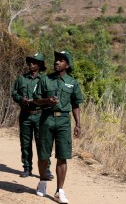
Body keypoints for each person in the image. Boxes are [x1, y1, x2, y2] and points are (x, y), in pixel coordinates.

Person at [34, 50, 84, 204]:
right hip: (46, 119)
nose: (57, 62)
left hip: (63, 121)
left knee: (62, 156)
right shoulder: (45, 79)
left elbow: (75, 104)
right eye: (56, 60)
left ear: (67, 65)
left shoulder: (72, 82)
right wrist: (47, 101)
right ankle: (42, 182)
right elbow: (36, 100)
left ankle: (59, 191)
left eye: (61, 60)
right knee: (43, 155)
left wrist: (78, 124)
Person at [11, 52, 53, 180]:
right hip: (25, 115)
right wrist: (20, 99)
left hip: (40, 116)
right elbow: (14, 93)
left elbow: (49, 96)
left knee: (43, 143)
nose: (31, 64)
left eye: (34, 62)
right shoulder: (21, 78)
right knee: (25, 143)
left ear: (39, 65)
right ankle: (27, 168)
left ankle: (46, 169)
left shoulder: (45, 80)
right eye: (29, 62)